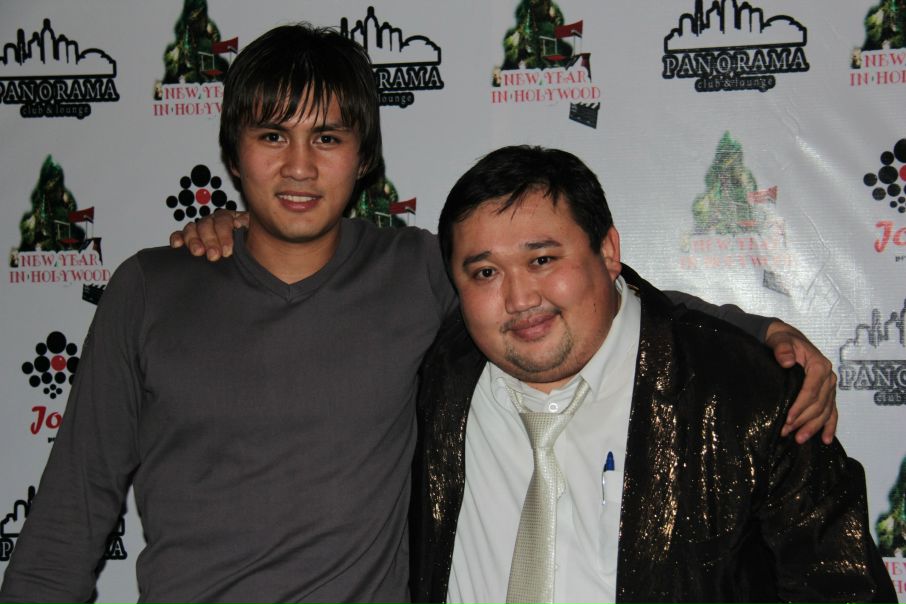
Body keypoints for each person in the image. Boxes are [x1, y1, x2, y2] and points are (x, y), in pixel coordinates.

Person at [2, 23, 834, 604]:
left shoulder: (417, 273)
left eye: (328, 138)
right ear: (233, 151)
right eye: (272, 135)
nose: (300, 166)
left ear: (363, 157)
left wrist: (757, 330)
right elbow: (72, 516)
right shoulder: (150, 289)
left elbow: (581, 290)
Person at [410, 145, 895, 604]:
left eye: (542, 260)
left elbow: (845, 590)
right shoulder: (434, 373)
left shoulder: (749, 397)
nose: (519, 299)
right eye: (486, 273)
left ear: (608, 251)